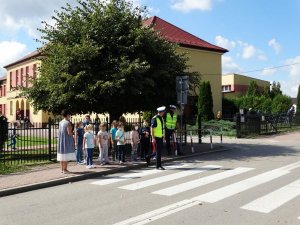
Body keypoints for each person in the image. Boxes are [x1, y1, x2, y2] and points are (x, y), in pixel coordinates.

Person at [57, 109, 75, 174]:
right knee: (66, 155)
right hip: (66, 140)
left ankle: (62, 169)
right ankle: (65, 169)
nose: (70, 116)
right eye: (69, 115)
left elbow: (59, 132)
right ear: (67, 115)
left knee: (61, 155)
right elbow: (69, 133)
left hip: (61, 140)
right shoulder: (68, 123)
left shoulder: (60, 122)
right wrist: (73, 133)